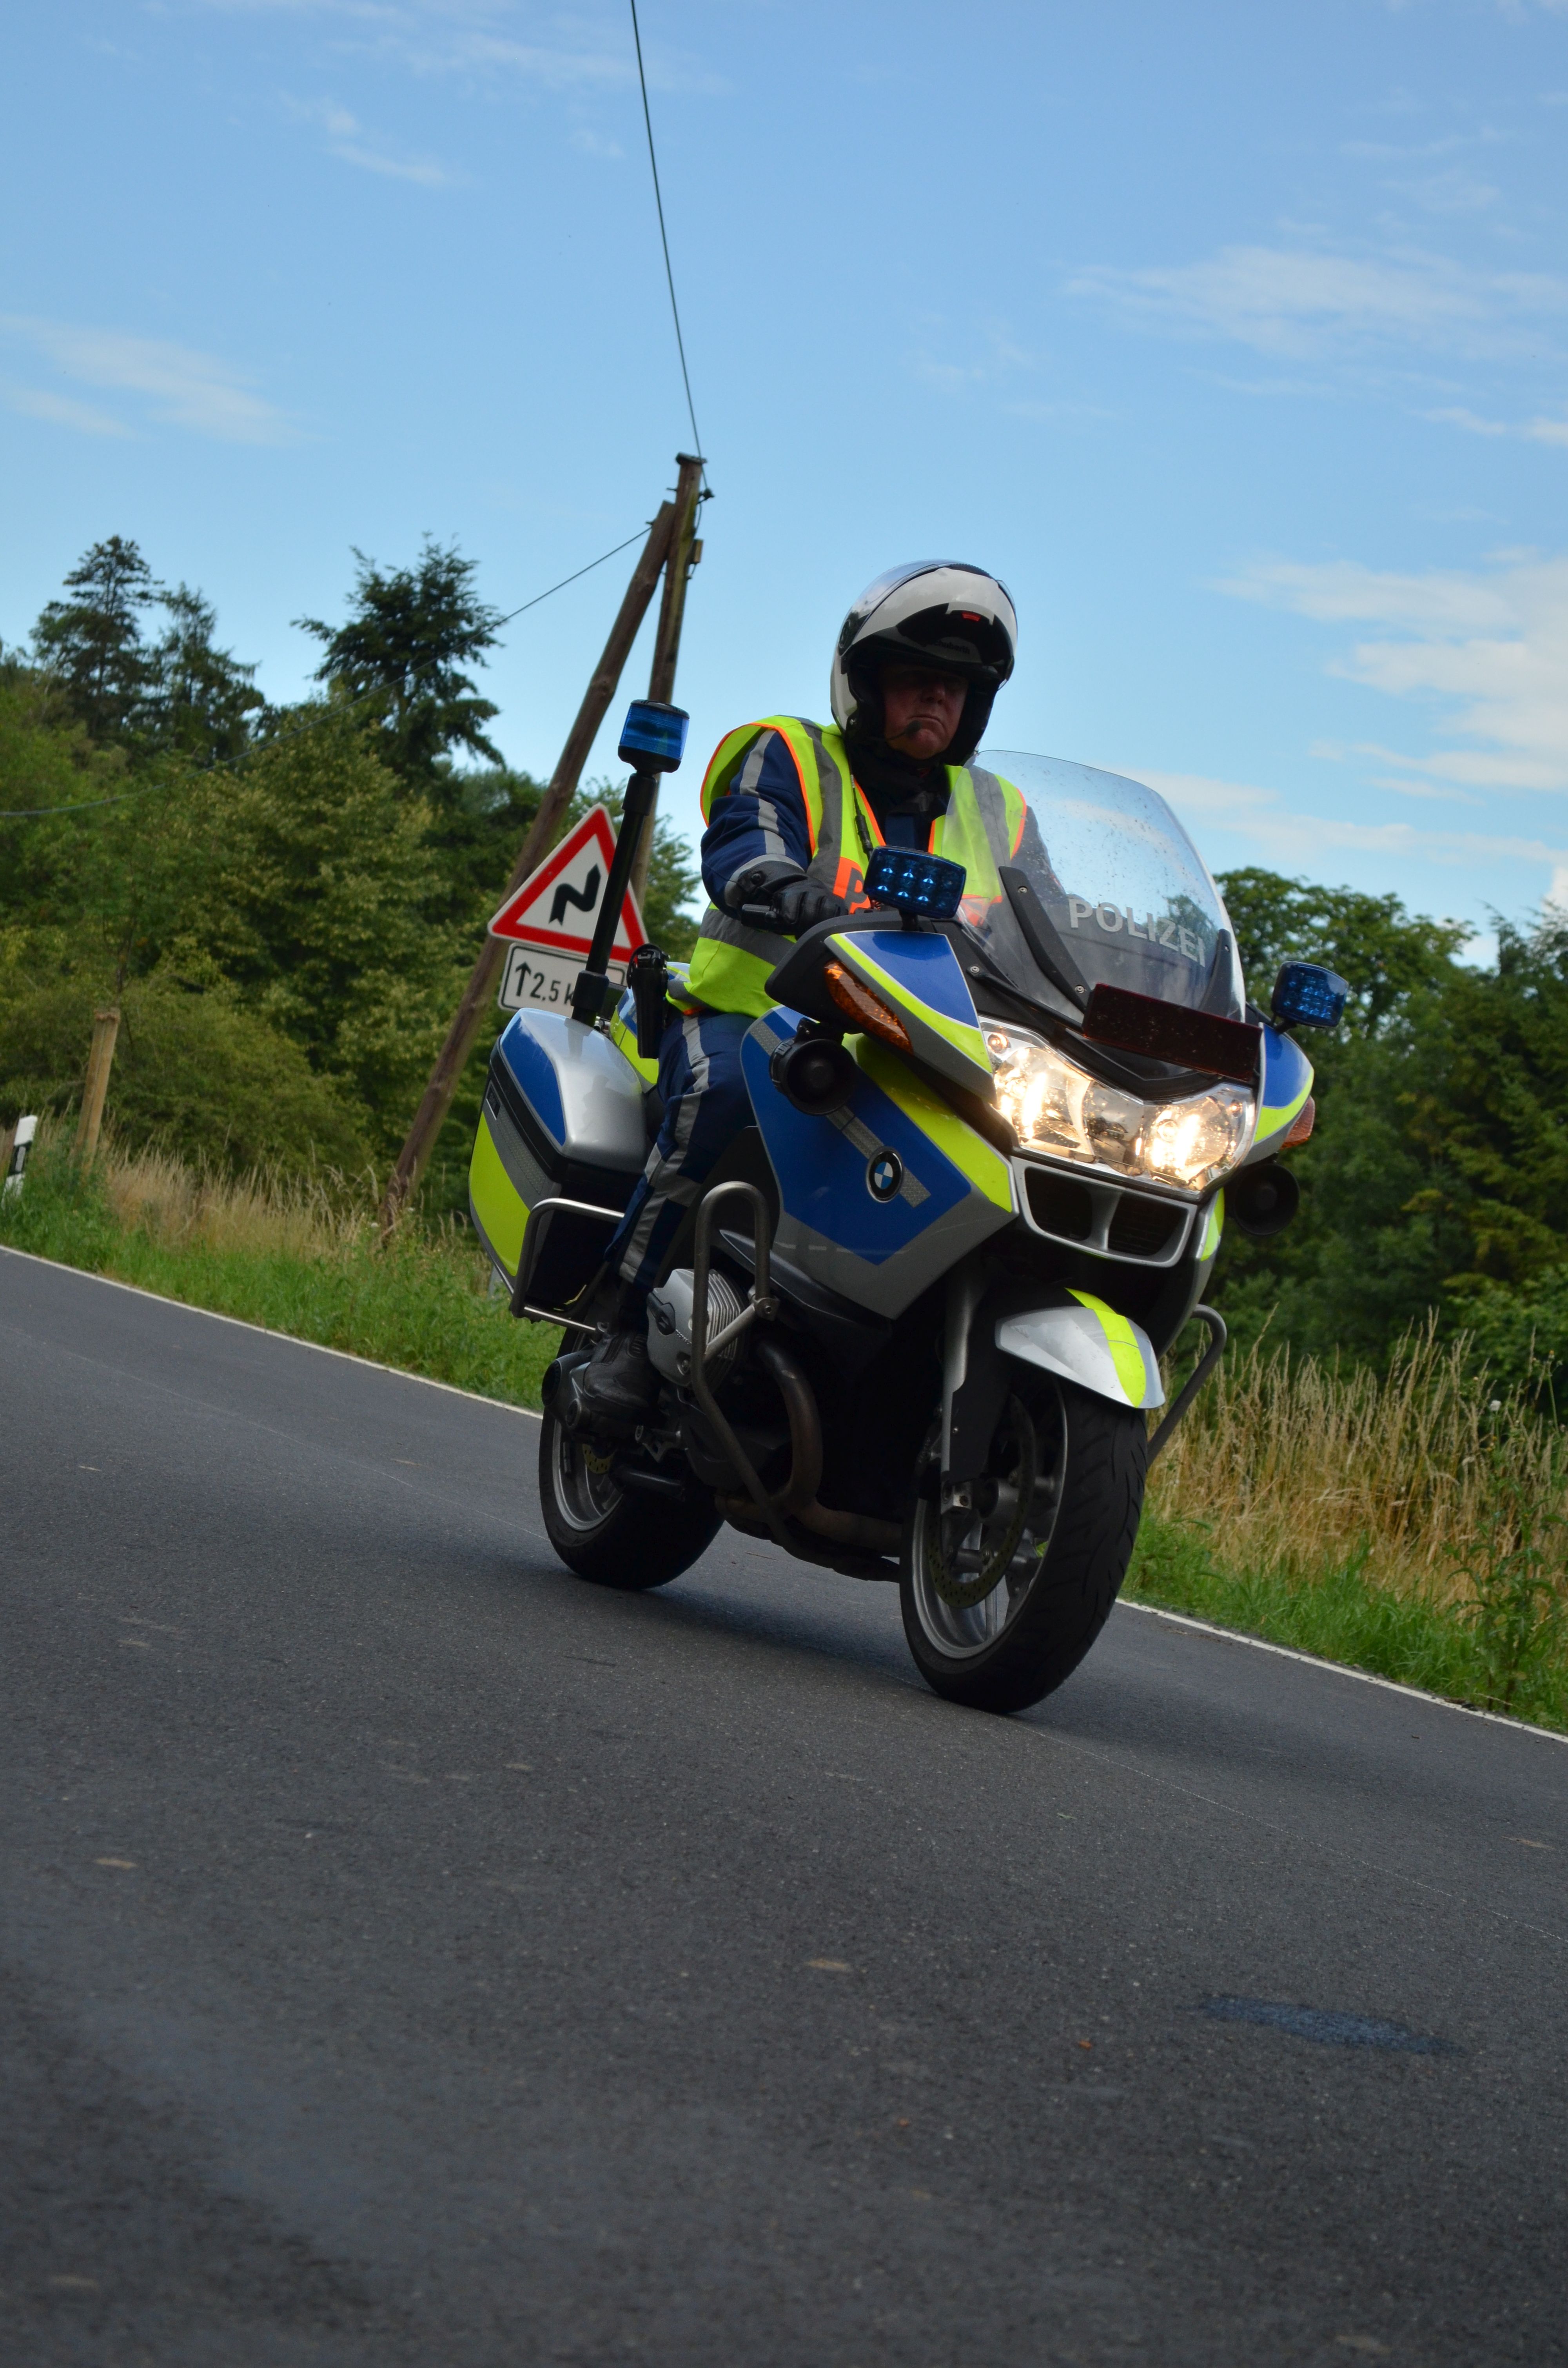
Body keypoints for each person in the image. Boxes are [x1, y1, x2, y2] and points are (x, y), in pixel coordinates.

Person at [577, 560, 1025, 1427]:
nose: (937, 698)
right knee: (725, 1094)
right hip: (755, 1020)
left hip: (923, 1054)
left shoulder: (1001, 810)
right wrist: (787, 890)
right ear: (866, 685)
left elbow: (1050, 922)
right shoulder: (788, 753)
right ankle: (623, 1322)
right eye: (916, 678)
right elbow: (744, 842)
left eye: (959, 687)